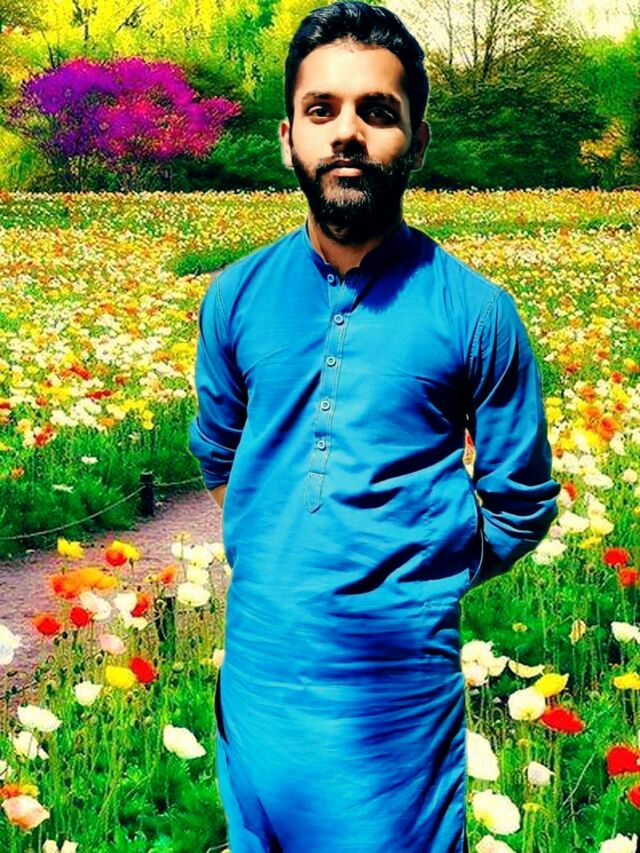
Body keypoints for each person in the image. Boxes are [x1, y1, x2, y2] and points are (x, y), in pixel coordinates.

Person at [188, 2, 561, 851]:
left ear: (416, 141)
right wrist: (287, 563)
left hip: (394, 714)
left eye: (377, 111)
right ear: (289, 137)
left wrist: (415, 577)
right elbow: (219, 453)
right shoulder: (236, 296)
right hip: (257, 686)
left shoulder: (476, 312)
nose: (347, 132)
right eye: (322, 109)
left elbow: (521, 501)